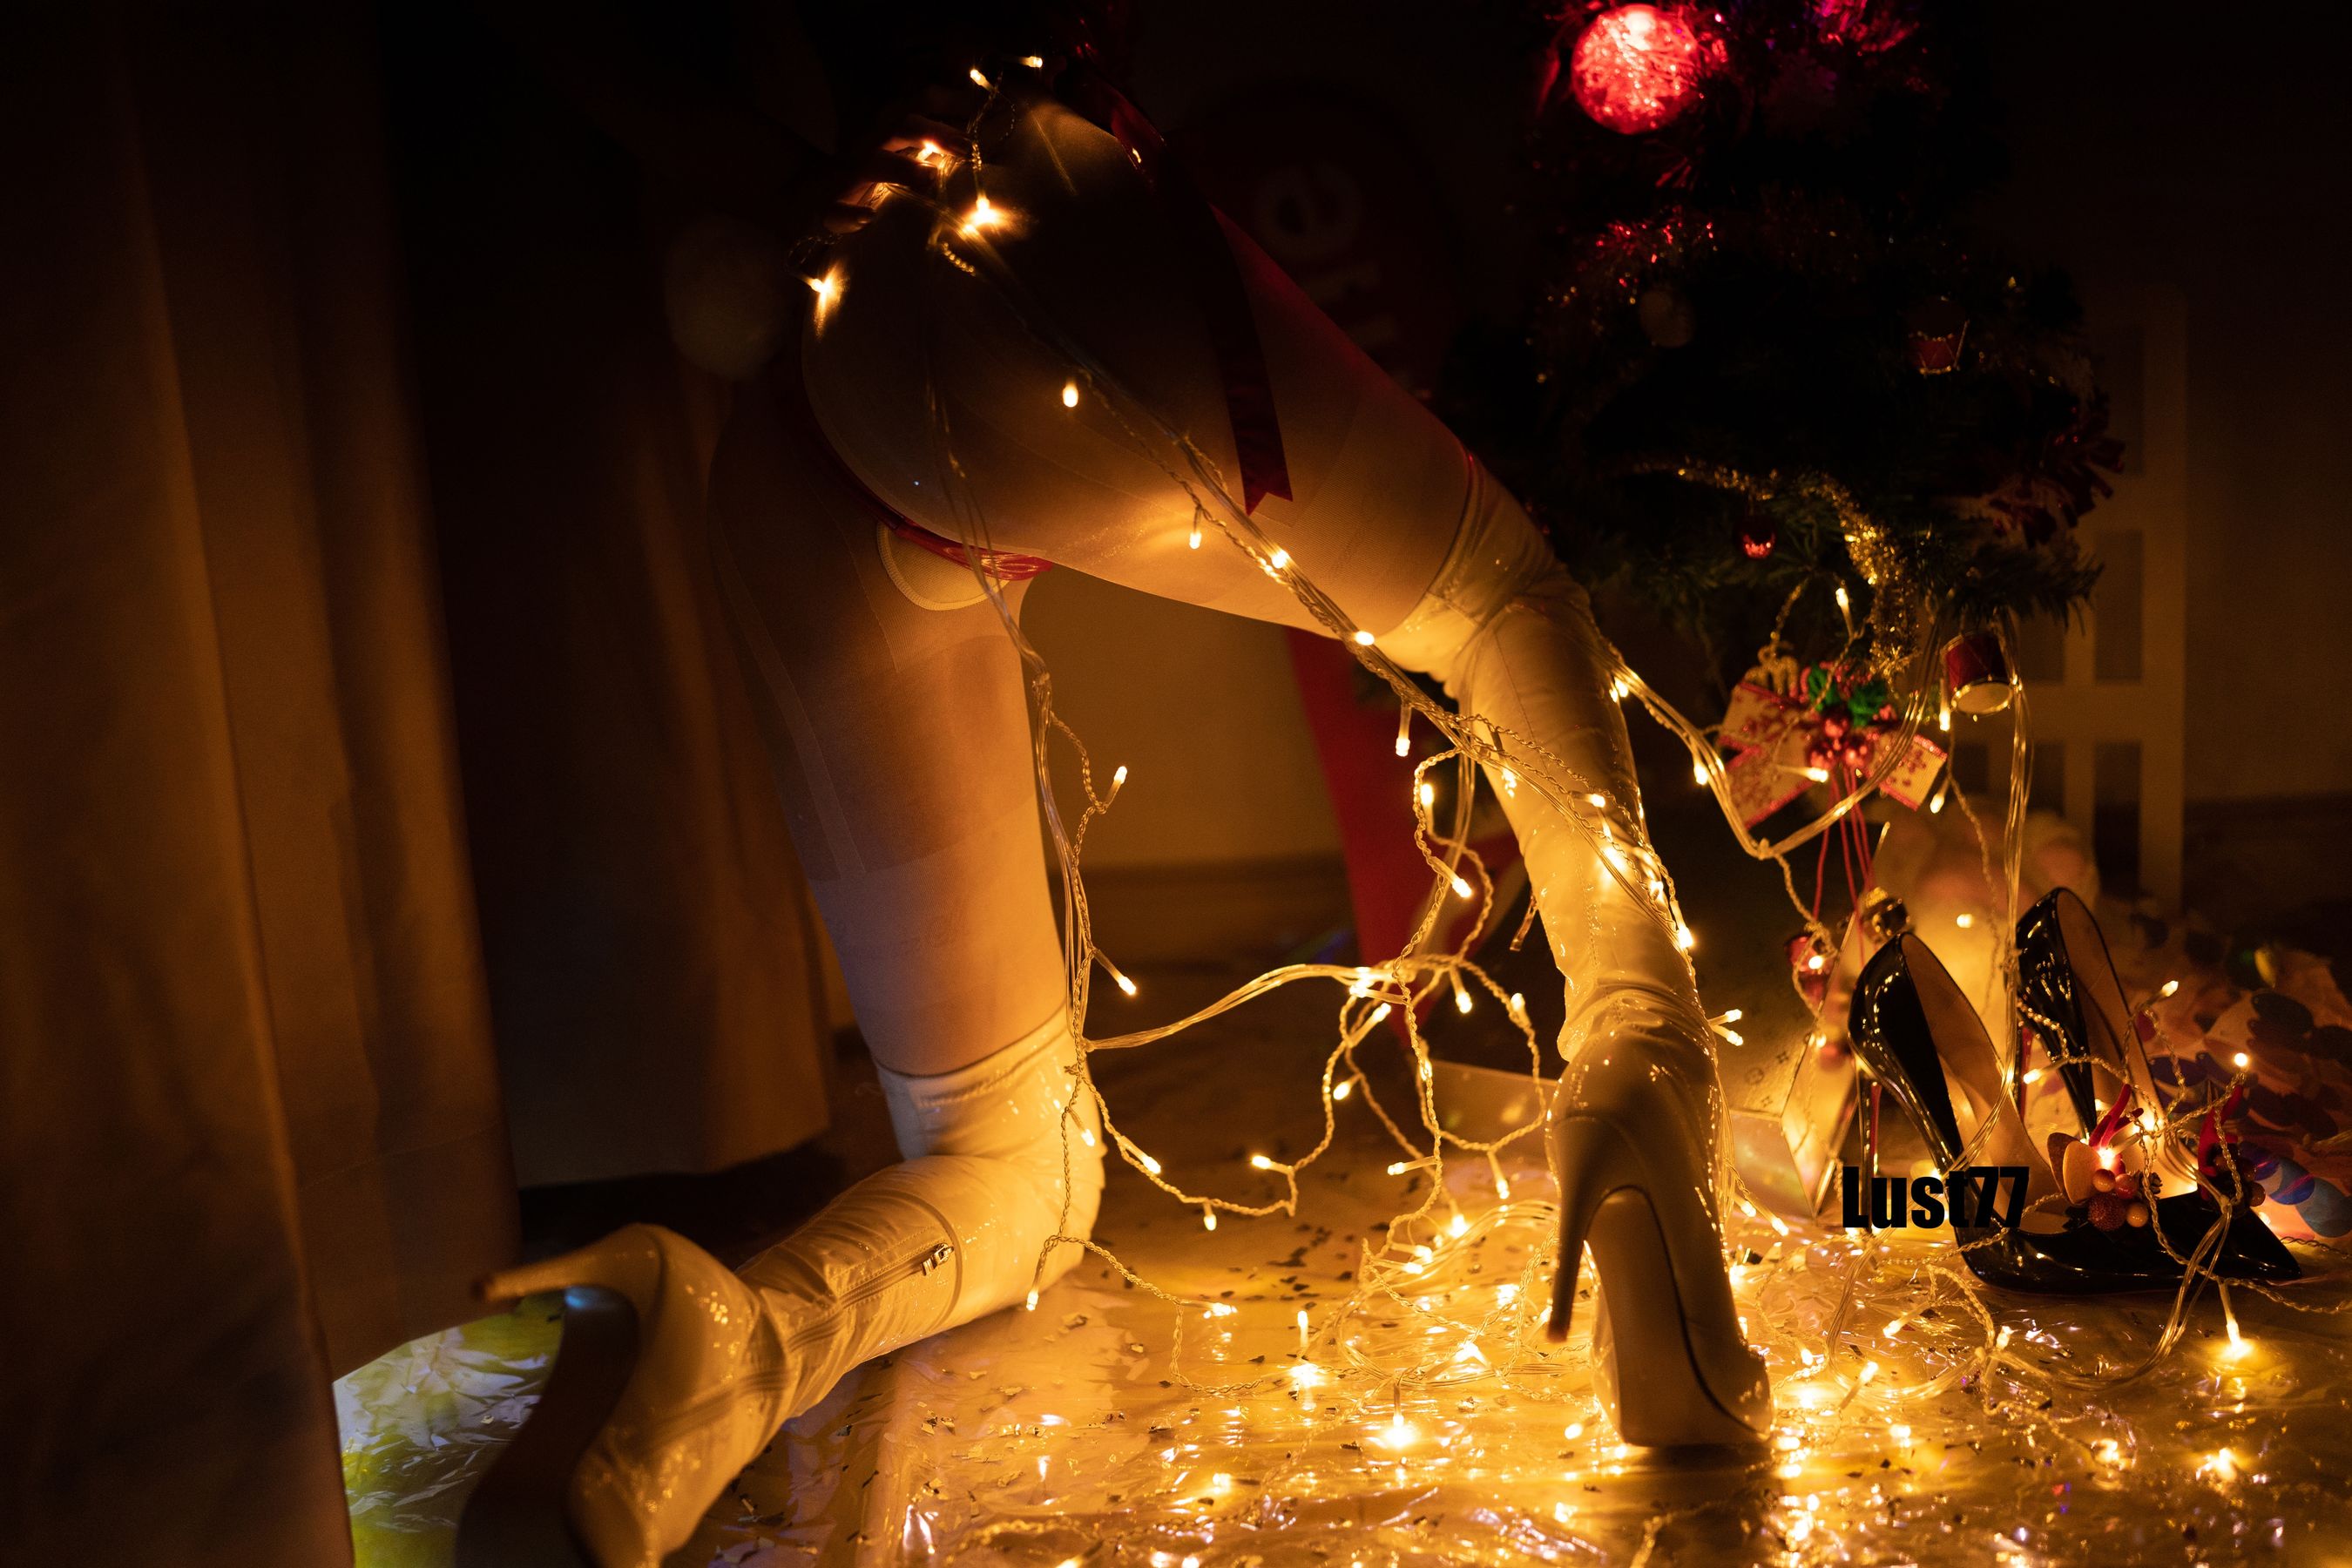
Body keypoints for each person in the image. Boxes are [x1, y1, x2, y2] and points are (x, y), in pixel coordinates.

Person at [459, 26, 1772, 1568]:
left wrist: (762, 166)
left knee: (1010, 1164)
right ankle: (1637, 1058)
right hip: (1019, 228)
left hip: (807, 385)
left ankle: (740, 1339)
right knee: (1500, 602)